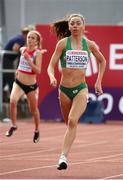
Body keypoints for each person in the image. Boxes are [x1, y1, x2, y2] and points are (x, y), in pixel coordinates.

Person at [47, 13, 106, 170]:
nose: (74, 25)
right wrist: (52, 76)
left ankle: (63, 157)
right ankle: (66, 149)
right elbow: (50, 65)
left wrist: (98, 81)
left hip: (81, 88)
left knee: (73, 121)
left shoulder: (89, 44)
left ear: (83, 26)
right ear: (68, 26)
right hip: (64, 90)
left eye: (77, 23)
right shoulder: (62, 44)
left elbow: (102, 61)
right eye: (72, 23)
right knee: (69, 124)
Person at [5, 30, 43, 143]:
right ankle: (13, 125)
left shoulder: (38, 53)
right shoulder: (22, 49)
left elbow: (38, 71)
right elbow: (20, 60)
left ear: (36, 41)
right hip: (19, 83)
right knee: (12, 101)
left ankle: (37, 130)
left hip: (30, 85)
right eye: (28, 37)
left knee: (33, 110)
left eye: (32, 38)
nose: (29, 39)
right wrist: (18, 70)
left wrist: (29, 60)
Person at [2, 26, 31, 99]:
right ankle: (14, 98)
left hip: (6, 59)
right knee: (10, 78)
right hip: (6, 59)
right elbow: (15, 48)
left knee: (4, 80)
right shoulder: (21, 39)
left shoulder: (19, 37)